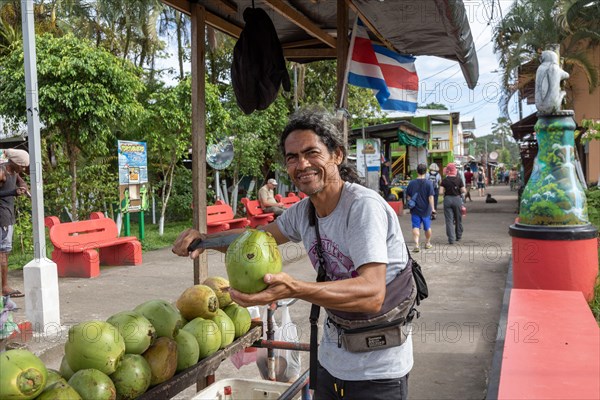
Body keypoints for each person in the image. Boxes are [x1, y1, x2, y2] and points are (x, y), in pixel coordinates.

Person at [173, 108, 413, 399]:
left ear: (337, 155)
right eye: (292, 157)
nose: (302, 164)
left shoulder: (362, 208)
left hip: (378, 371)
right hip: (332, 359)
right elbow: (253, 240)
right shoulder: (304, 212)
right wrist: (204, 240)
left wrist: (293, 288)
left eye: (312, 152)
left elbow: (372, 293)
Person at [1, 149, 30, 298]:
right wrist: (13, 192)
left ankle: (4, 286)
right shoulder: (2, 172)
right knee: (3, 252)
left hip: (8, 216)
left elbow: (21, 181)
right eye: (22, 166)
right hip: (2, 217)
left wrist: (23, 187)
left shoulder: (14, 173)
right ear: (14, 163)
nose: (24, 169)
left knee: (4, 252)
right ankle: (4, 287)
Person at [406, 163, 435, 252]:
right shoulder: (429, 183)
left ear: (417, 171)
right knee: (427, 227)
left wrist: (411, 203)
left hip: (415, 209)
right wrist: (433, 208)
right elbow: (430, 197)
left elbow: (408, 196)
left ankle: (416, 245)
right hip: (426, 209)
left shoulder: (411, 183)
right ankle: (427, 243)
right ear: (426, 171)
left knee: (415, 227)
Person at [439, 162, 466, 245]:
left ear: (448, 170)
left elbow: (440, 192)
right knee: (458, 218)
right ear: (455, 170)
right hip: (457, 199)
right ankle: (458, 236)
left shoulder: (444, 180)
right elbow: (463, 191)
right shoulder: (459, 179)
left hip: (447, 200)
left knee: (449, 220)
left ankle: (451, 239)